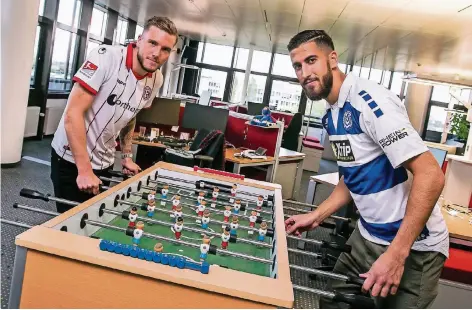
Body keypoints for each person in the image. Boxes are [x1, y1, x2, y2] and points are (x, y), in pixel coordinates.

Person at [285, 29, 449, 308]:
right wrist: (317, 214)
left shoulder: (371, 103)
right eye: (298, 66)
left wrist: (397, 254)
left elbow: (431, 175)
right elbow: (352, 175)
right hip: (367, 236)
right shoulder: (330, 115)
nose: (305, 72)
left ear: (332, 59)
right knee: (332, 303)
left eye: (312, 60)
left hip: (413, 248)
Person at [50, 16, 178, 213]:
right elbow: (72, 114)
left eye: (165, 49)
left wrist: (126, 156)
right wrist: (84, 170)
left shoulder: (156, 79)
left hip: (105, 160)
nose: (156, 53)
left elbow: (130, 116)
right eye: (152, 43)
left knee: (94, 222)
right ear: (139, 40)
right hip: (71, 159)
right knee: (71, 228)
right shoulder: (105, 57)